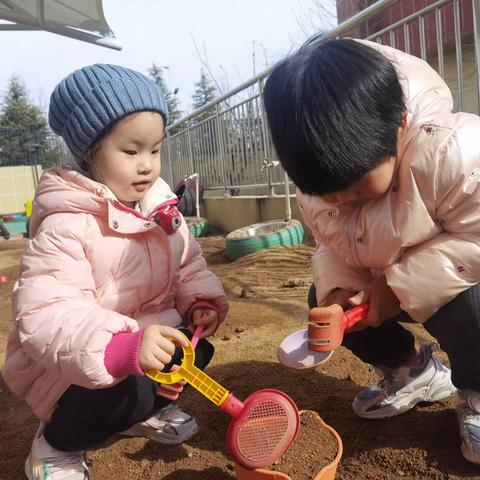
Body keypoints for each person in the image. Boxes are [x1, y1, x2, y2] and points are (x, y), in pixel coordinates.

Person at [2, 64, 228, 479]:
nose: (147, 166)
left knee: (195, 352)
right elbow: (47, 314)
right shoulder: (68, 224)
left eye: (155, 150)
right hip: (71, 366)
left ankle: (135, 414)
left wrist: (200, 302)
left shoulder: (162, 212)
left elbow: (187, 262)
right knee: (123, 390)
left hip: (141, 345)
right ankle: (54, 446)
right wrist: (124, 349)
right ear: (90, 152)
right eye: (131, 151)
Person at [263, 37, 480, 465]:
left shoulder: (453, 153)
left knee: (475, 308)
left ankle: (476, 390)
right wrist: (341, 291)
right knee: (322, 303)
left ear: (398, 127)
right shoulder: (318, 187)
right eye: (325, 192)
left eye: (358, 185)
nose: (341, 201)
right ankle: (412, 370)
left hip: (461, 279)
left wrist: (396, 288)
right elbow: (332, 244)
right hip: (390, 280)